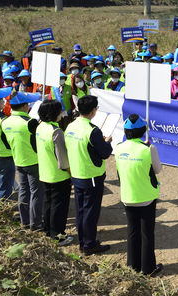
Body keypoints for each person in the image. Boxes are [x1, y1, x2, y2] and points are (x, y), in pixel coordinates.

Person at [64, 95, 113, 255]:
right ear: (93, 110)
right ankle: (89, 244)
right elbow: (105, 153)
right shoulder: (92, 130)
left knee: (81, 210)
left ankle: (83, 241)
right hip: (91, 175)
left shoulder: (70, 126)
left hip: (76, 174)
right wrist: (107, 142)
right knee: (90, 211)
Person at [116, 114, 163, 276]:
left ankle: (132, 266)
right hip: (146, 198)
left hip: (128, 196)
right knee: (147, 233)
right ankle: (149, 268)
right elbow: (158, 170)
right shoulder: (149, 149)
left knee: (132, 231)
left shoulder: (119, 148)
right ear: (142, 131)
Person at [3, 91, 43, 230]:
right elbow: (39, 142)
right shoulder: (30, 122)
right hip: (33, 161)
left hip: (18, 160)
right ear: (25, 106)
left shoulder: (5, 121)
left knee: (24, 191)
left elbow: (6, 143)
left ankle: (25, 221)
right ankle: (36, 223)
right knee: (36, 193)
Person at [36, 99, 74, 246]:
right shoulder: (56, 132)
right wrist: (71, 173)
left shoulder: (40, 127)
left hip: (45, 172)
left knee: (48, 203)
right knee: (59, 207)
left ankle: (48, 231)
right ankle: (58, 236)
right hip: (58, 175)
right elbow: (63, 159)